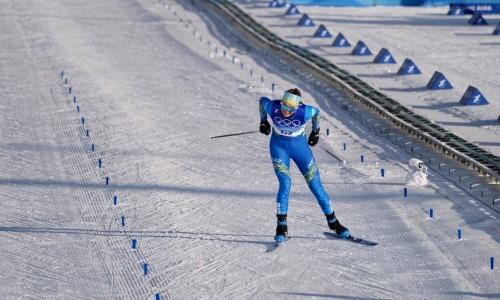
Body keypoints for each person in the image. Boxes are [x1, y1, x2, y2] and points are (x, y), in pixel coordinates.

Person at [258, 88, 350, 242]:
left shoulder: (305, 112)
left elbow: (317, 112)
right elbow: (262, 101)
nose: (286, 110)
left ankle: (333, 222)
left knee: (315, 184)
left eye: (290, 108)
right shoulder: (273, 107)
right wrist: (263, 121)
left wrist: (315, 131)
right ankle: (281, 225)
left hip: (299, 146)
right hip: (278, 147)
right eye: (284, 106)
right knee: (285, 183)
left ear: (297, 106)